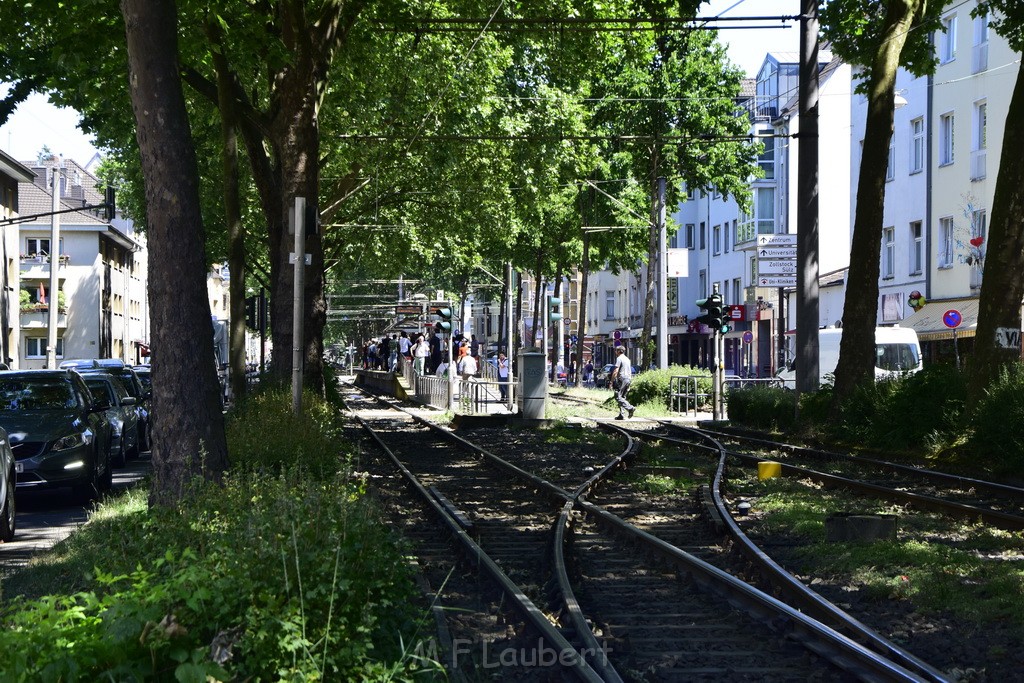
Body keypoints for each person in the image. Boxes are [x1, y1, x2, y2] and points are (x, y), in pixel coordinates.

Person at [610, 345, 635, 420]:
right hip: (628, 378)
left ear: (618, 351)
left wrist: (611, 381)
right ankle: (622, 415)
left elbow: (616, 371)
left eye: (616, 351)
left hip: (622, 379)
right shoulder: (627, 359)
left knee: (617, 396)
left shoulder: (619, 358)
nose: (615, 352)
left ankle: (630, 408)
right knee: (623, 397)